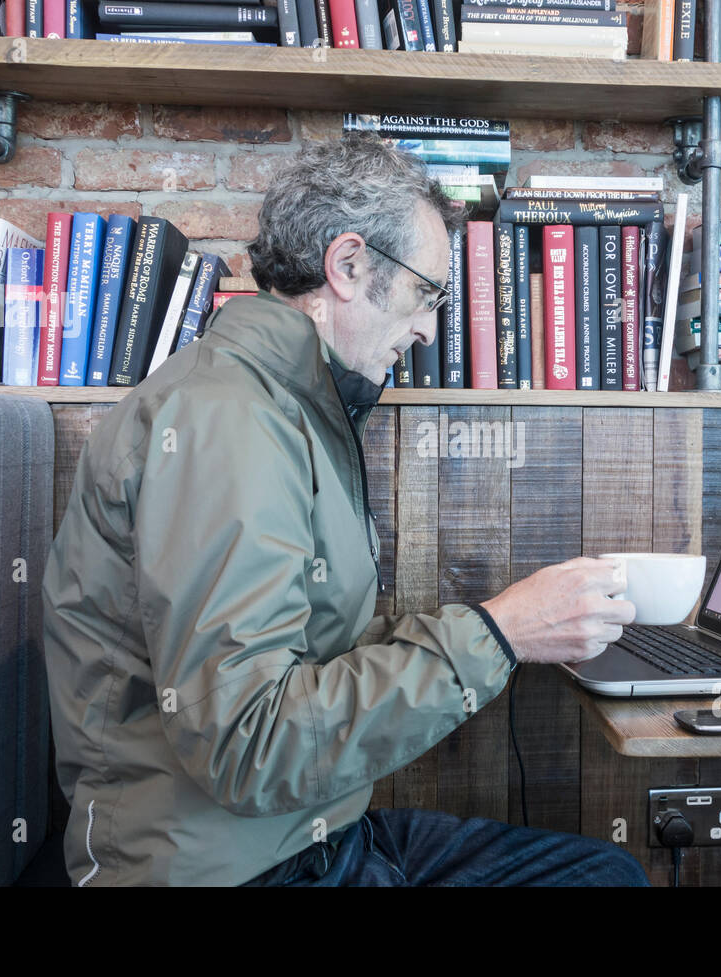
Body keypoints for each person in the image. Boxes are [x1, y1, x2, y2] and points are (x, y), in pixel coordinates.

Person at [41, 132, 647, 886]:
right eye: (428, 294)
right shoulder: (229, 422)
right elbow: (246, 744)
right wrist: (497, 635)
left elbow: (316, 655)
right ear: (349, 265)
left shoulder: (291, 405)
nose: (429, 329)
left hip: (309, 833)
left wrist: (506, 627)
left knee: (603, 874)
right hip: (229, 866)